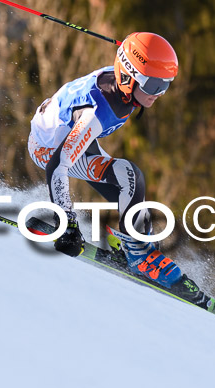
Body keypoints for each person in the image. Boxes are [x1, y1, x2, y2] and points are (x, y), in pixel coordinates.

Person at [28, 32, 199, 298]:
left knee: (131, 193)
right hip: (47, 148)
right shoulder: (100, 110)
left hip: (66, 133)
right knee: (130, 176)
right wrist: (67, 225)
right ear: (130, 78)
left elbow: (132, 54)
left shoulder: (123, 85)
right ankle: (139, 255)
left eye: (165, 85)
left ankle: (136, 245)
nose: (159, 94)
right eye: (154, 86)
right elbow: (57, 166)